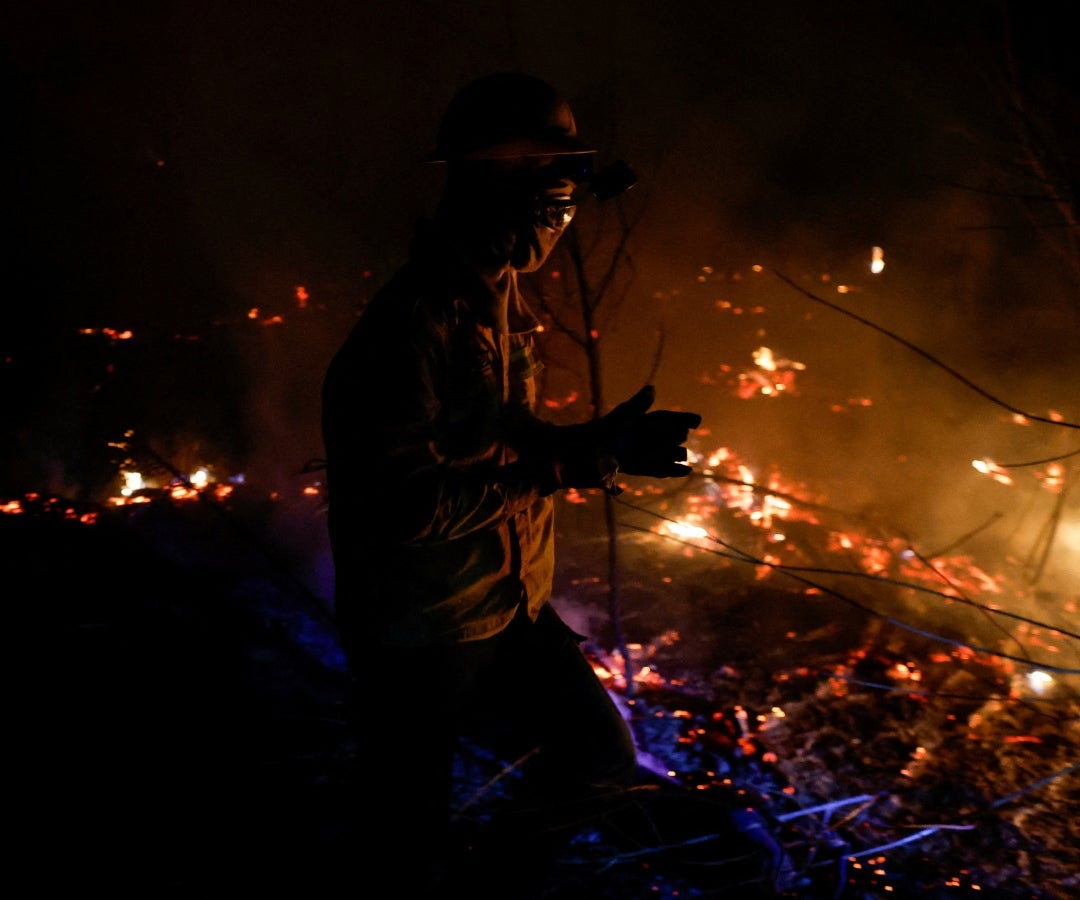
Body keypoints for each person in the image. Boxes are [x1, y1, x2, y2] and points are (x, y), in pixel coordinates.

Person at [321, 72, 702, 895]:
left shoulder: (500, 301)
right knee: (403, 832)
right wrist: (558, 468)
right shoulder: (412, 326)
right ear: (500, 184)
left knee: (598, 757)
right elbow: (400, 506)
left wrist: (595, 444)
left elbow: (494, 441)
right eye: (554, 201)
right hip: (421, 630)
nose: (559, 225)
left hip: (502, 604)